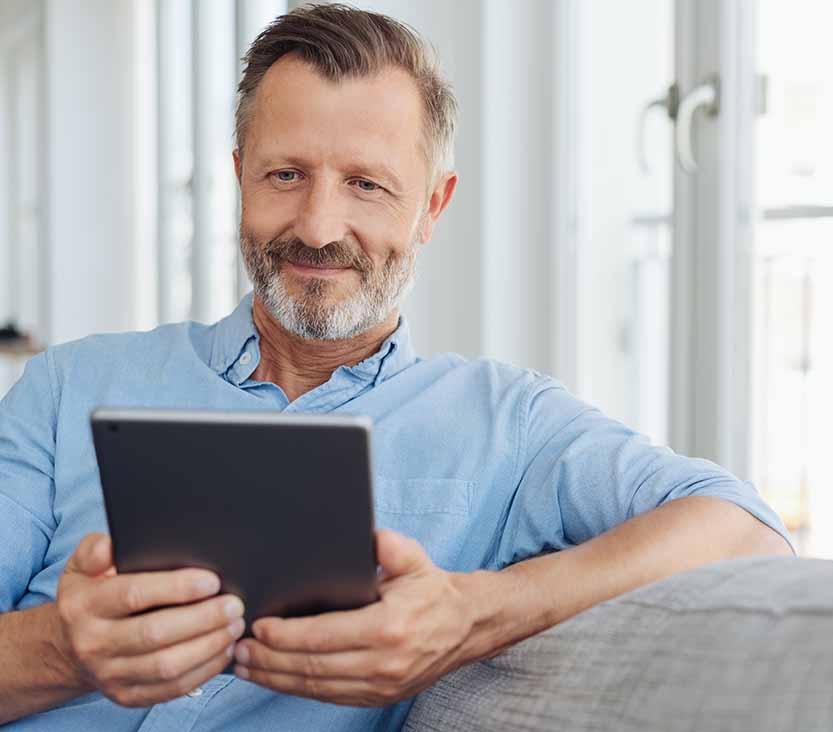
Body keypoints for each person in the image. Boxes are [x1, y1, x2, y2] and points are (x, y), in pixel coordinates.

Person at [0, 4, 792, 730]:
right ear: (240, 176)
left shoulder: (506, 426)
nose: (317, 225)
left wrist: (472, 612)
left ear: (432, 208)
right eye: (285, 175)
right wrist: (61, 651)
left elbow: (744, 531)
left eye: (367, 186)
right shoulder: (67, 387)